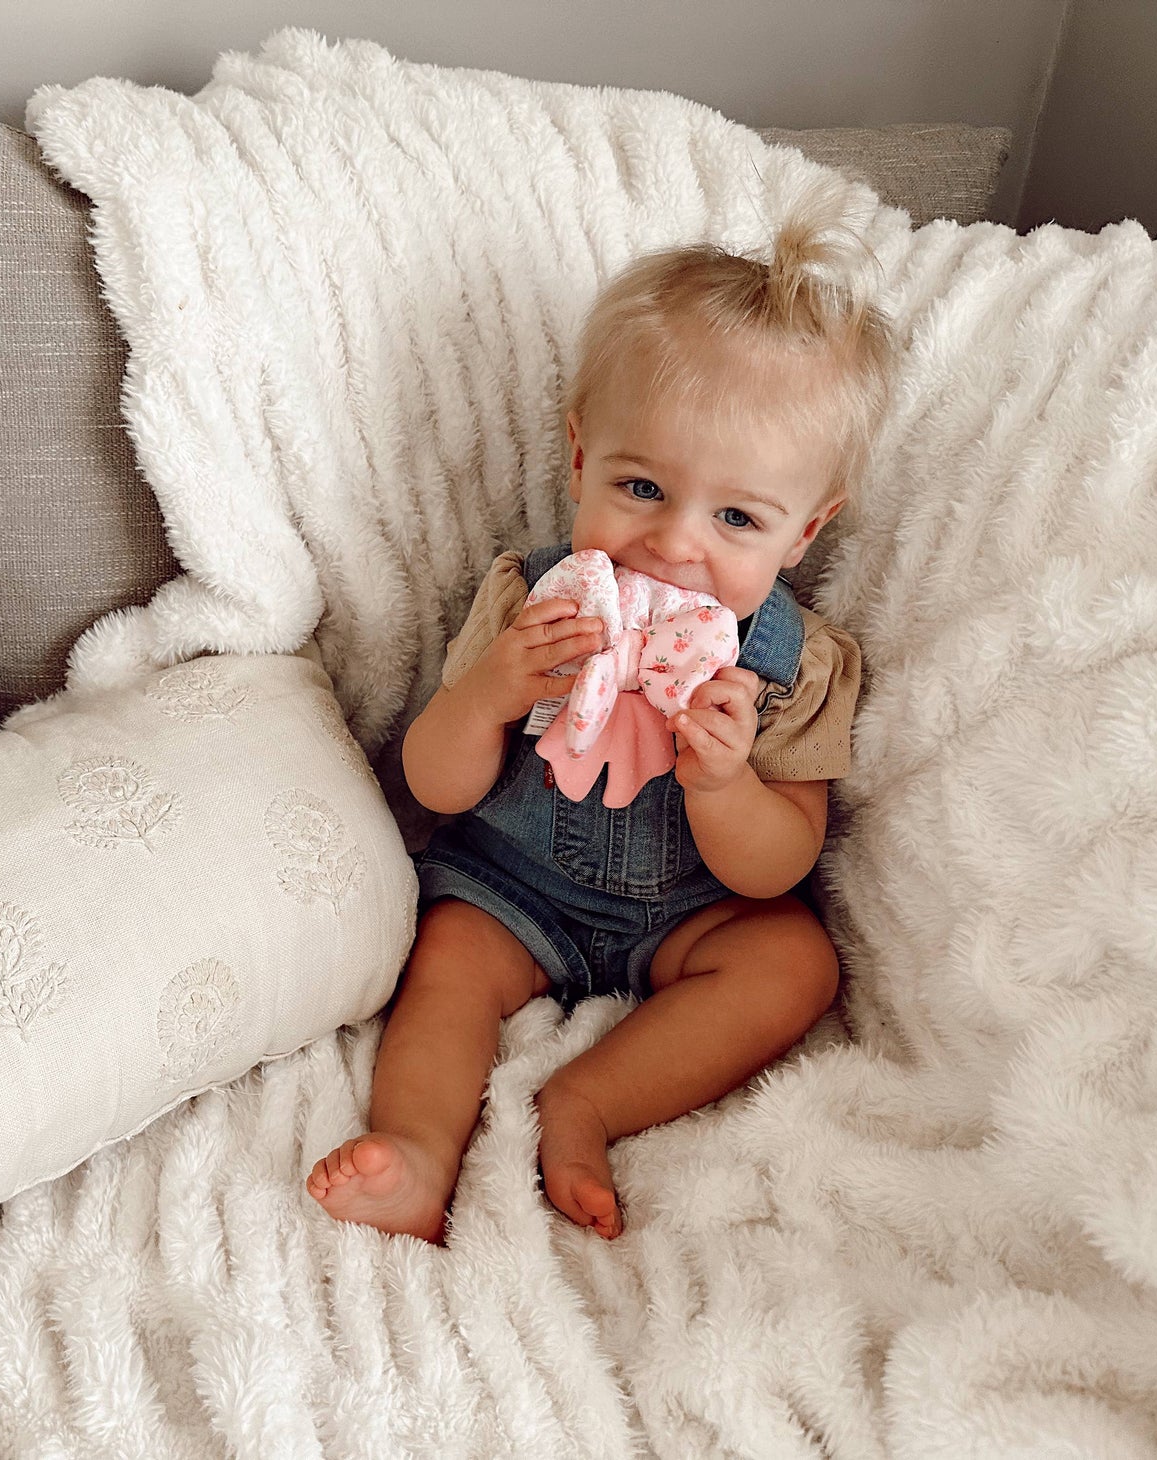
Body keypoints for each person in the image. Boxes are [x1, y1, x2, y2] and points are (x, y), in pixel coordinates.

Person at [308, 194, 900, 1242]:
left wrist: (723, 782)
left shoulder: (795, 666)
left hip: (694, 915)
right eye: (640, 488)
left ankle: (586, 1102)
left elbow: (778, 866)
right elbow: (434, 783)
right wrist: (489, 692)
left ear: (803, 532)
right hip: (512, 888)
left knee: (794, 963)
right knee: (444, 959)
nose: (673, 544)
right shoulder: (529, 603)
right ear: (580, 460)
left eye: (736, 517)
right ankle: (417, 1150)